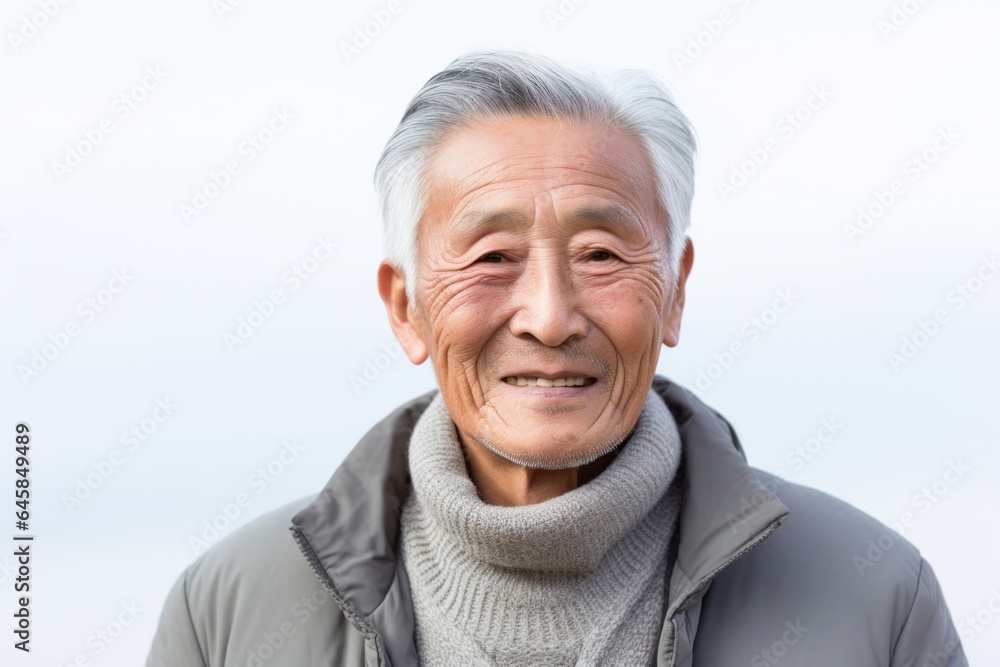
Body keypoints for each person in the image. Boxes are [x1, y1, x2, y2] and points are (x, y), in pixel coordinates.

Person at [146, 49, 967, 666]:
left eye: (603, 254)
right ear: (407, 307)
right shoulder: (229, 612)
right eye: (493, 255)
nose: (549, 315)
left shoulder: (874, 599)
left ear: (675, 291)